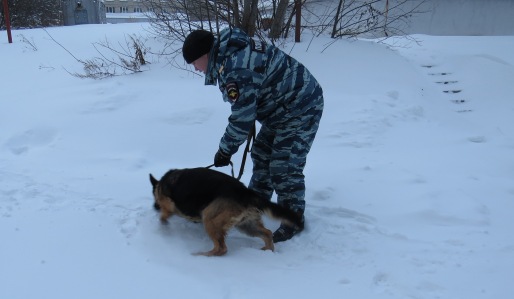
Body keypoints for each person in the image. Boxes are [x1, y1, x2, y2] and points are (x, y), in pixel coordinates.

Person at [182, 27, 324, 243]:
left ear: (204, 55)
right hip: (281, 110)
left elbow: (242, 117)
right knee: (261, 154)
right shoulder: (228, 57)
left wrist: (224, 151)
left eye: (194, 63)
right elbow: (247, 106)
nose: (195, 69)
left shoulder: (236, 66)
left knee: (284, 165)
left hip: (301, 106)